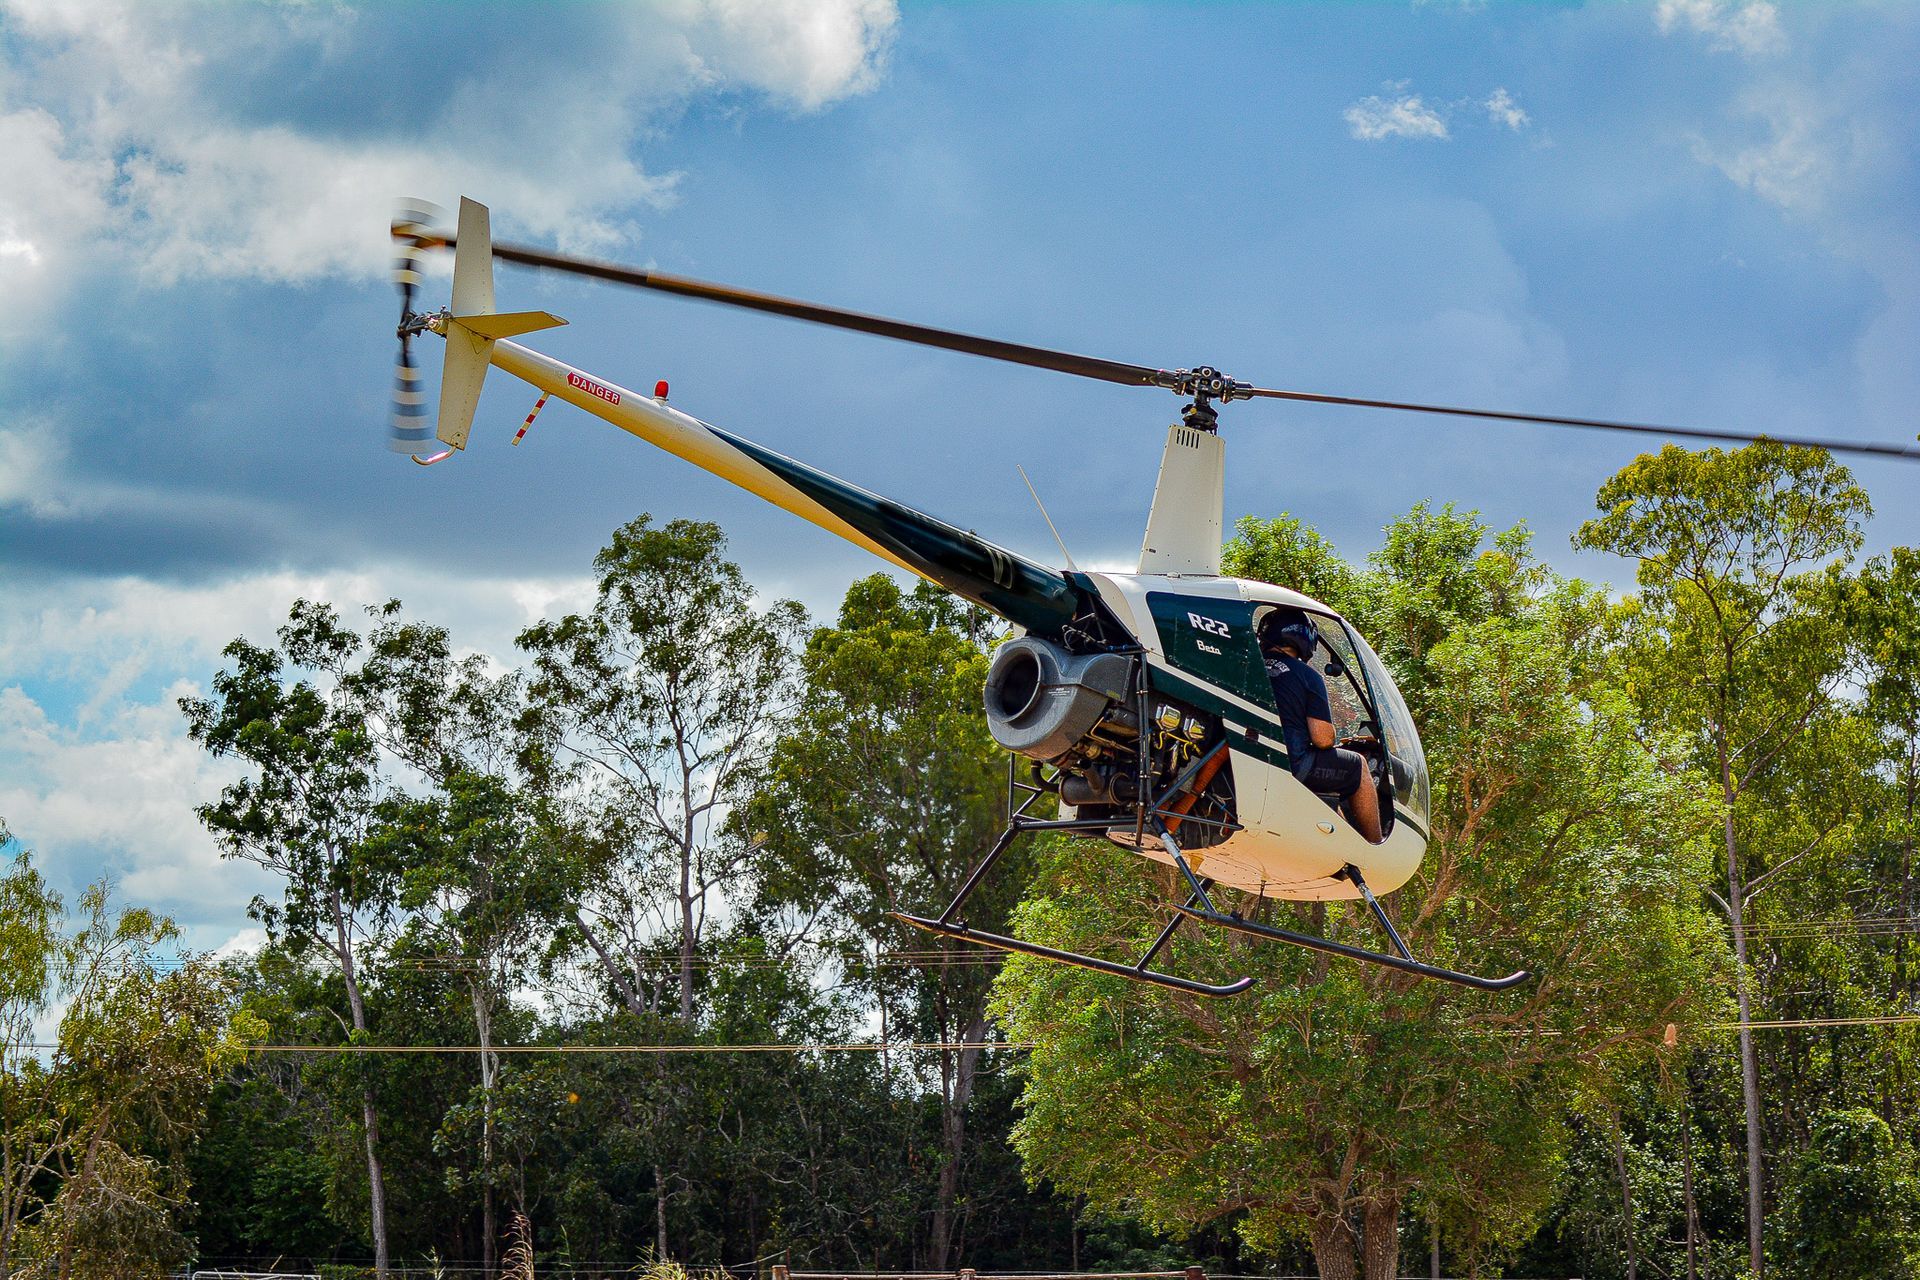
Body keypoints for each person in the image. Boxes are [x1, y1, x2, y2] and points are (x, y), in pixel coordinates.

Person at [1258, 609, 1383, 844]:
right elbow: (1323, 738)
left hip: (1255, 760)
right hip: (1293, 764)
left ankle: (1342, 842)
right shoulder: (1306, 675)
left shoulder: (1250, 667)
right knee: (1358, 766)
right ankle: (1374, 845)